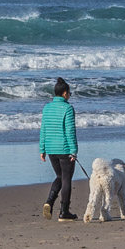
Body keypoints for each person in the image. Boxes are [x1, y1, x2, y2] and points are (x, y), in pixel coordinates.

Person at [38, 77, 77, 221]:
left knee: (59, 177)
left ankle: (49, 201)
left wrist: (42, 149)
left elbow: (43, 129)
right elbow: (70, 131)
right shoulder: (67, 108)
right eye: (69, 93)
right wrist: (73, 150)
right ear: (65, 93)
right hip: (64, 149)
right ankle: (64, 212)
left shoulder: (47, 108)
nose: (69, 96)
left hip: (50, 148)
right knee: (66, 179)